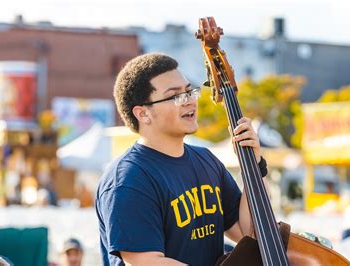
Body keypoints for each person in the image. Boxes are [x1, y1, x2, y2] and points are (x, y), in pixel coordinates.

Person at [95, 53, 269, 265]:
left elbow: (247, 234)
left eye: (189, 91)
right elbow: (146, 261)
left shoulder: (207, 161)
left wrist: (255, 164)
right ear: (143, 114)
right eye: (175, 96)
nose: (189, 101)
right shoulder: (127, 180)